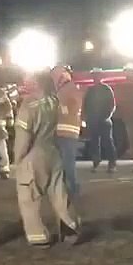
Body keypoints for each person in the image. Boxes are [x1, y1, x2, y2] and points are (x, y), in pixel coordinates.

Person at [13, 71, 81, 247]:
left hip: (33, 156)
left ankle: (38, 238)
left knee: (28, 198)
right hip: (53, 152)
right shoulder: (54, 101)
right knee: (60, 194)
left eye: (29, 81)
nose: (26, 83)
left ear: (37, 84)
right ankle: (71, 227)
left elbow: (23, 139)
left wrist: (18, 161)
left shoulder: (28, 106)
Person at [52, 65, 84, 198]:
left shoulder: (70, 89)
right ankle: (66, 188)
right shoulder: (62, 89)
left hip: (68, 132)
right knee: (63, 162)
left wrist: (60, 109)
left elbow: (73, 106)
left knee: (68, 162)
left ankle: (73, 188)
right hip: (61, 132)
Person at [82, 69, 117, 173]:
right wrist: (85, 117)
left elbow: (112, 104)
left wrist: (107, 116)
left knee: (107, 142)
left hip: (104, 120)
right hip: (92, 120)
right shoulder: (90, 90)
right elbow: (85, 104)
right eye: (94, 76)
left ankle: (112, 163)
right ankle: (96, 162)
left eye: (97, 76)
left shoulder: (106, 89)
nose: (95, 78)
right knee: (94, 143)